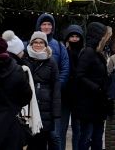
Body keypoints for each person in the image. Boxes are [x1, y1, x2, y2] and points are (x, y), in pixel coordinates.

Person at [73, 22, 112, 150]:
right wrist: (96, 87)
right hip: (88, 105)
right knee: (86, 137)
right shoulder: (88, 52)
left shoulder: (97, 52)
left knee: (96, 137)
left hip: (98, 104)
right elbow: (79, 75)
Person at [36, 13, 71, 150]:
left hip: (54, 98)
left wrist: (56, 87)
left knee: (54, 135)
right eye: (44, 24)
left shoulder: (59, 46)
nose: (46, 27)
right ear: (39, 26)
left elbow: (65, 69)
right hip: (37, 98)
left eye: (49, 24)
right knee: (37, 135)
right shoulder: (33, 44)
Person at [24, 31, 62, 150]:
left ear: (45, 45)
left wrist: (56, 112)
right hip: (29, 106)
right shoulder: (25, 60)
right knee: (30, 141)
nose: (38, 45)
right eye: (36, 42)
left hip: (46, 108)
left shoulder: (51, 62)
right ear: (31, 43)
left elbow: (56, 87)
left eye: (41, 42)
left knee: (42, 141)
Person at [59, 24, 84, 150]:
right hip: (64, 96)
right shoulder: (63, 52)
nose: (74, 39)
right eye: (72, 36)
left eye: (77, 37)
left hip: (78, 97)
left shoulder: (83, 53)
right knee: (61, 129)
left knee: (77, 129)